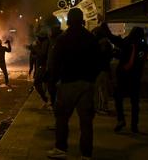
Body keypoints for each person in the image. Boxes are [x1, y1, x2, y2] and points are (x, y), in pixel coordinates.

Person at [47, 8, 100, 160]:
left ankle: (61, 148)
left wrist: (54, 81)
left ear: (69, 20)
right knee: (86, 122)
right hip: (87, 83)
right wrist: (92, 78)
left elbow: (56, 63)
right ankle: (86, 154)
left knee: (62, 118)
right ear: (82, 20)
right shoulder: (91, 38)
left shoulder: (63, 39)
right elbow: (98, 61)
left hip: (68, 83)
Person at [110, 27, 148, 133]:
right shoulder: (144, 46)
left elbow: (129, 63)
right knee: (135, 102)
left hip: (125, 77)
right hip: (136, 78)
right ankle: (134, 125)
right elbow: (142, 61)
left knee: (118, 98)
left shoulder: (130, 44)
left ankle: (121, 119)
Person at [91, 23, 114, 115]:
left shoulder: (100, 44)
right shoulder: (107, 43)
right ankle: (103, 106)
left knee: (99, 89)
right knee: (103, 89)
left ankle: (100, 107)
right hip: (104, 68)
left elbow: (98, 56)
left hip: (100, 69)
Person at [30, 31, 50, 107]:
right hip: (42, 67)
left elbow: (42, 54)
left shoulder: (45, 43)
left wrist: (35, 47)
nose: (37, 39)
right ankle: (46, 100)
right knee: (45, 83)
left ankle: (46, 99)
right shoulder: (44, 43)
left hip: (43, 67)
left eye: (38, 37)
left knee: (37, 83)